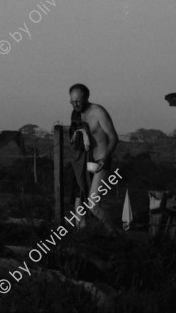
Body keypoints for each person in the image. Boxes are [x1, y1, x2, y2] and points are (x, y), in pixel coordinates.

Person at [69, 83, 122, 236]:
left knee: (93, 205)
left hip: (100, 161)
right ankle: (82, 237)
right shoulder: (75, 114)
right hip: (83, 162)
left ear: (86, 98)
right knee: (79, 203)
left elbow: (113, 137)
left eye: (77, 101)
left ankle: (115, 234)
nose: (75, 104)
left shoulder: (98, 111)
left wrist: (105, 159)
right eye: (72, 101)